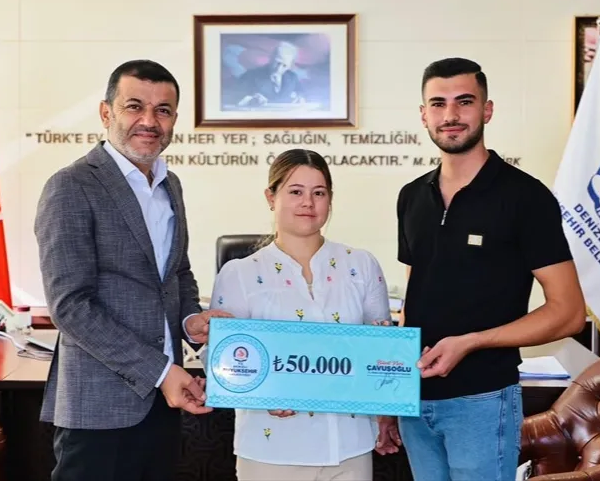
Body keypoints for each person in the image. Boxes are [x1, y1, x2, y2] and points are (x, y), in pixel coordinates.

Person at [375, 58, 587, 480]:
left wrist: (471, 343)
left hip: (483, 401)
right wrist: (392, 394)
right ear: (423, 115)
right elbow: (415, 297)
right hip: (415, 402)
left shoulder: (526, 197)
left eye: (465, 101)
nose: (450, 115)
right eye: (438, 104)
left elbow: (569, 312)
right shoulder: (411, 197)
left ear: (487, 110)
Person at [34, 59, 231, 481]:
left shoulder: (169, 185)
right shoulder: (71, 186)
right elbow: (70, 307)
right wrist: (160, 372)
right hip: (99, 408)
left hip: (163, 403)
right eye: (134, 106)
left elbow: (176, 273)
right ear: (106, 113)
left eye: (163, 110)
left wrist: (190, 319)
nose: (149, 121)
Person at [207, 149, 391, 481]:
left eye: (319, 193)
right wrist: (261, 393)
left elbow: (382, 353)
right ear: (271, 197)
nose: (308, 202)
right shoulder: (240, 274)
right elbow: (221, 361)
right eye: (295, 191)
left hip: (349, 446)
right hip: (272, 450)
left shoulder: (361, 264)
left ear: (330, 199)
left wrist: (390, 382)